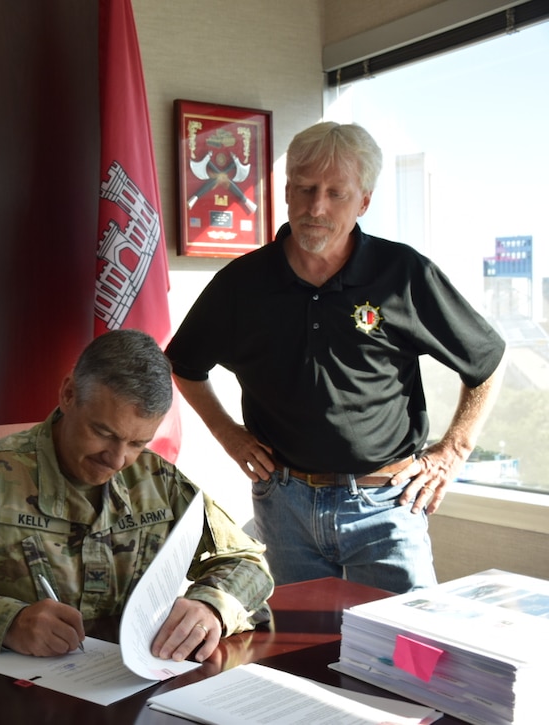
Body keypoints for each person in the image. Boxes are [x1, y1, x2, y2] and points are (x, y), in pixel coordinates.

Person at [165, 122, 506, 593]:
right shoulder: (242, 284)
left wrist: (453, 451)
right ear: (285, 192)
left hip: (386, 505)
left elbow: (486, 361)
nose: (316, 207)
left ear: (363, 201)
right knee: (297, 656)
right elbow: (183, 364)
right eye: (305, 189)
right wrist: (229, 435)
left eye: (335, 193)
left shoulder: (402, 274)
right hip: (282, 507)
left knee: (406, 654)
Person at [0, 329, 273, 662]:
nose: (117, 459)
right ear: (68, 395)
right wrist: (8, 622)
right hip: (11, 701)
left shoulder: (156, 480)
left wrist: (211, 607)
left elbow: (247, 560)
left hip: (127, 688)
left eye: (137, 442)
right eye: (105, 433)